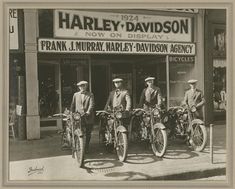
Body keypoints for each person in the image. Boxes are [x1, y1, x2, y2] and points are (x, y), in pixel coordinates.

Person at [70, 81, 95, 153]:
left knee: (88, 132)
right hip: (78, 116)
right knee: (77, 130)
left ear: (86, 86)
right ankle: (77, 145)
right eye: (80, 86)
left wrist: (88, 112)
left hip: (88, 116)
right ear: (78, 87)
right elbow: (73, 105)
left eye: (83, 86)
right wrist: (71, 112)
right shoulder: (75, 95)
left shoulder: (90, 94)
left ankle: (86, 146)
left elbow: (92, 104)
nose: (82, 87)